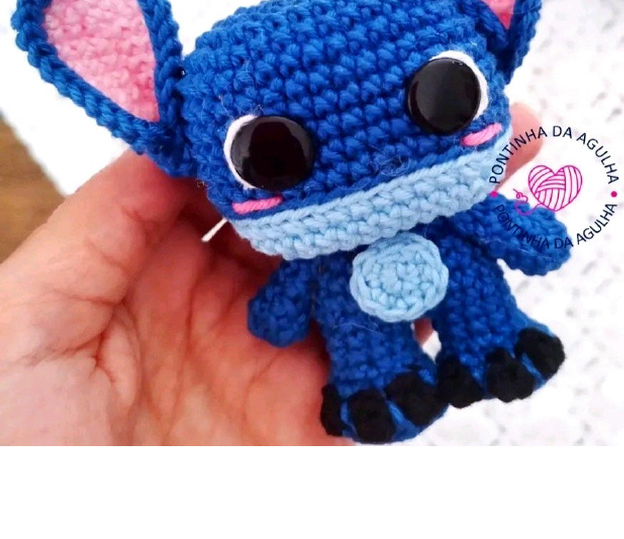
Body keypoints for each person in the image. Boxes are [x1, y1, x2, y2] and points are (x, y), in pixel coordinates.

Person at [0, 105, 544, 445]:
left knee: (466, 289)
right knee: (361, 331)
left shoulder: (451, 209)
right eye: (269, 151)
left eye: (445, 94)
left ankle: (491, 345)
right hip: (342, 291)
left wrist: (533, 237)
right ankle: (385, 381)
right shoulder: (323, 249)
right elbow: (285, 305)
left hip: (419, 255)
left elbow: (517, 233)